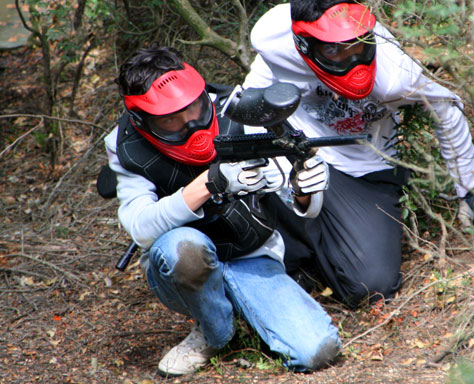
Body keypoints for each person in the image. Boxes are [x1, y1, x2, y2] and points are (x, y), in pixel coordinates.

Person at [242, 0, 474, 308]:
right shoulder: (276, 38)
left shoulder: (393, 75)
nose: (351, 59)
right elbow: (257, 89)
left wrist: (470, 189)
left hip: (363, 164)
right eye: (333, 50)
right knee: (240, 154)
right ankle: (284, 250)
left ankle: (313, 253)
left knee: (372, 284)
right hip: (297, 143)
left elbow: (445, 106)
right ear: (305, 45)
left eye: (359, 45)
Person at [103, 46, 340, 376]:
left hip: (250, 251)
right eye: (172, 119)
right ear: (144, 121)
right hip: (181, 261)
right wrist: (210, 183)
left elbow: (300, 206)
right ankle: (215, 333)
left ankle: (239, 304)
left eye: (196, 109)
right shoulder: (125, 144)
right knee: (181, 248)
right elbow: (140, 227)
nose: (191, 126)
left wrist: (304, 188)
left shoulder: (241, 109)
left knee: (316, 351)